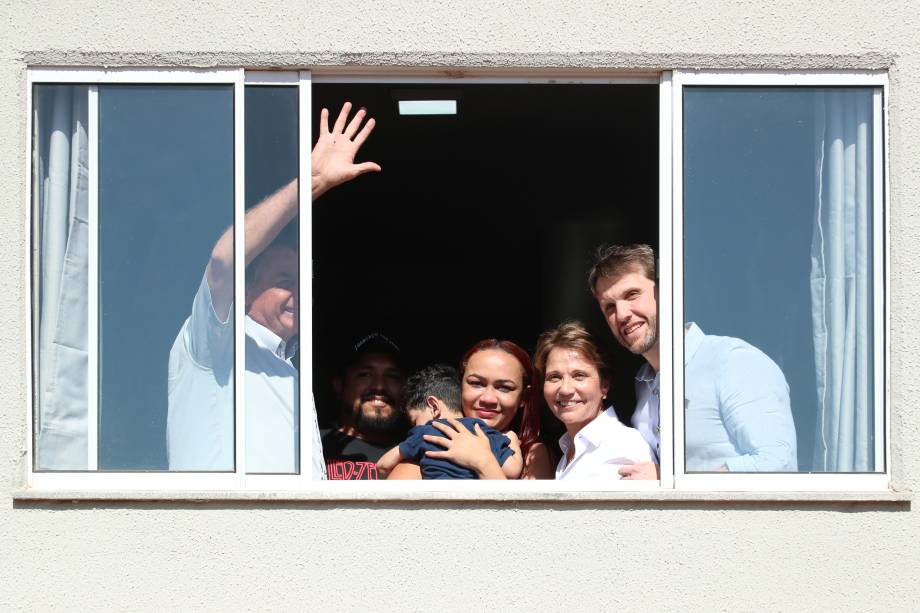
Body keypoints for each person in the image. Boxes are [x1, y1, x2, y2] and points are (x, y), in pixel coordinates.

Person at [167, 102, 381, 476]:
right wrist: (311, 183)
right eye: (285, 283)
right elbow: (223, 261)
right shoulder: (218, 345)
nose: (299, 296)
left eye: (304, 284)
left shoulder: (288, 362)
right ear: (245, 292)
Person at [587, 244, 797, 478]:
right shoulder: (644, 382)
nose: (622, 314)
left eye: (632, 295)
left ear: (665, 292)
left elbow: (778, 464)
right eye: (609, 307)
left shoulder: (732, 361)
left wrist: (673, 483)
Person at [387, 339, 554, 480]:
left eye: (504, 388)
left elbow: (528, 519)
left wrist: (483, 462)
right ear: (461, 386)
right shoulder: (428, 443)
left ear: (523, 397)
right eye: (477, 383)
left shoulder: (532, 456)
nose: (488, 399)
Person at [534, 321, 652, 480]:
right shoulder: (569, 448)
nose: (565, 389)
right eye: (554, 377)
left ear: (605, 385)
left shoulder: (623, 446)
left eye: (579, 376)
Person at [376, 364, 523, 480]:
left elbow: (383, 465)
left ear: (433, 406)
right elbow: (512, 470)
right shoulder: (485, 431)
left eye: (415, 421)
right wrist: (513, 440)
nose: (415, 427)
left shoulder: (424, 433)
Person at [321, 332, 407, 480]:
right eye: (365, 374)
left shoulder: (416, 453)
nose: (379, 386)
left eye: (392, 376)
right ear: (339, 385)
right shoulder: (310, 447)